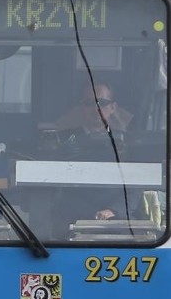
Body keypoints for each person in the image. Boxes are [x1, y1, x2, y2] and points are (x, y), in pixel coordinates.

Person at [53, 82, 134, 222]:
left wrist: (114, 209)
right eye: (89, 103)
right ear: (80, 107)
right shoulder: (62, 140)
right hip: (71, 218)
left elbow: (136, 184)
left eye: (102, 102)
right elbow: (56, 185)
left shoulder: (127, 142)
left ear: (113, 107)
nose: (96, 108)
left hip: (117, 219)